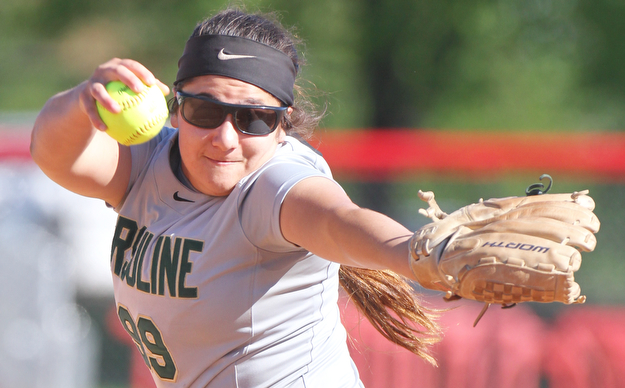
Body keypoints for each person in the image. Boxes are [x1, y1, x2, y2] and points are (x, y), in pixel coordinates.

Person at [30, 7, 458, 388]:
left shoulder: (274, 183)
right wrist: (83, 99)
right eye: (205, 111)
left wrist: (421, 252)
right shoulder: (148, 162)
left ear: (283, 124)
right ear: (176, 109)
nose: (225, 138)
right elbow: (54, 153)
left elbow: (337, 220)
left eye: (254, 118)